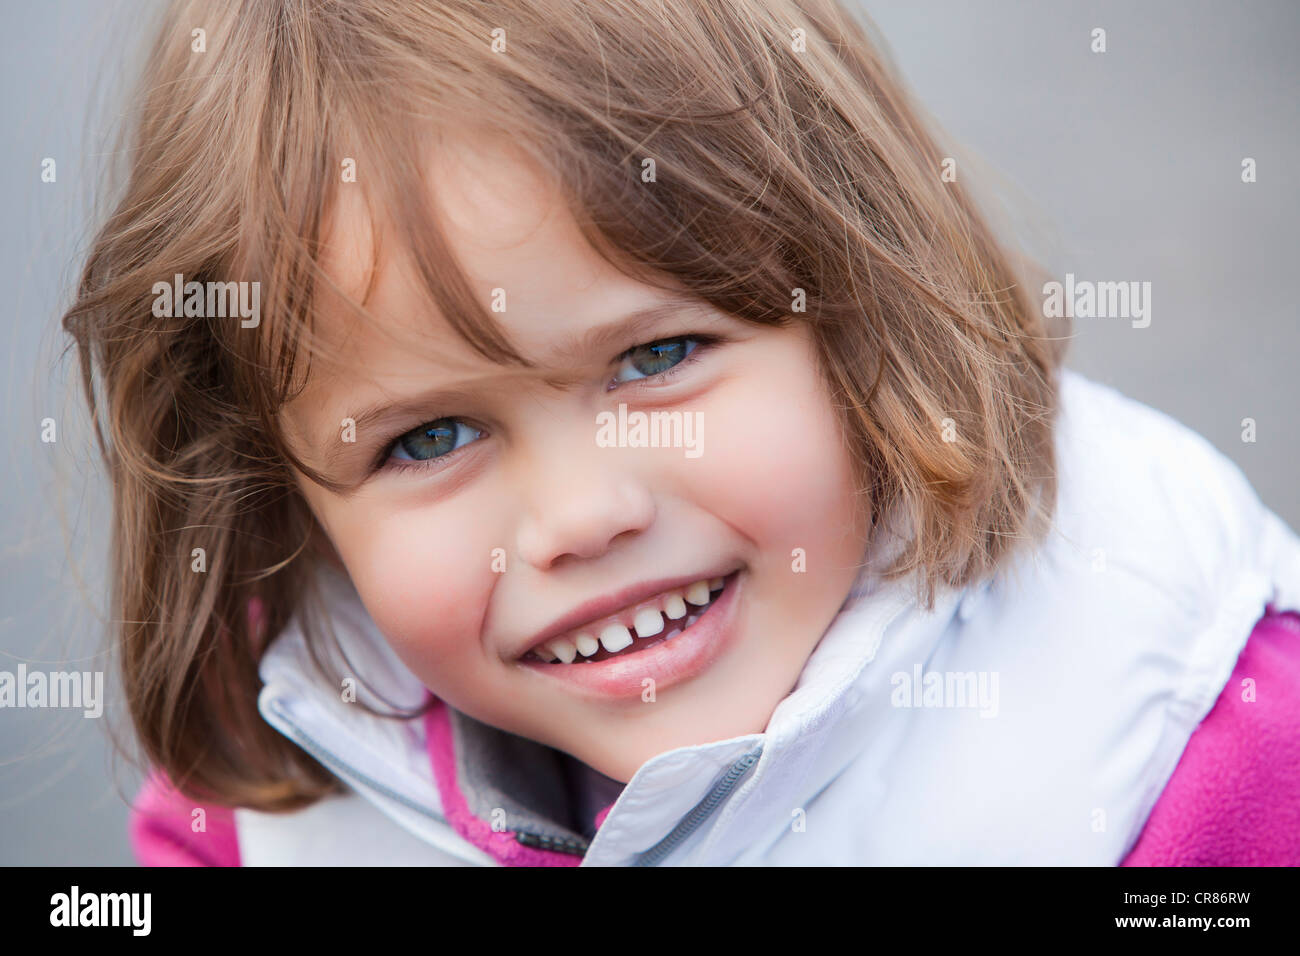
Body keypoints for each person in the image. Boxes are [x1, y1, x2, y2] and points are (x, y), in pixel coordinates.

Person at [61, 0, 1300, 865]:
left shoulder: (1201, 755)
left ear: (861, 305)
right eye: (428, 438)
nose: (580, 516)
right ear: (277, 502)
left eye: (655, 358)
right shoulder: (267, 803)